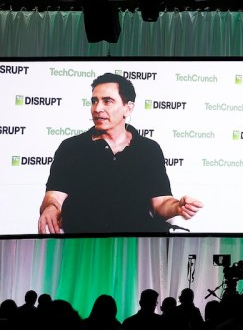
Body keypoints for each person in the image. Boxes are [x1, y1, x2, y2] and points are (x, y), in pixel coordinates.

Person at [37, 72, 203, 235]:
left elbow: (161, 203)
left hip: (135, 239)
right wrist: (51, 208)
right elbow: (54, 196)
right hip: (84, 239)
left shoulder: (148, 149)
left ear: (128, 108)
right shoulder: (71, 147)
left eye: (107, 101)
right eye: (94, 101)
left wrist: (178, 207)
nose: (97, 108)